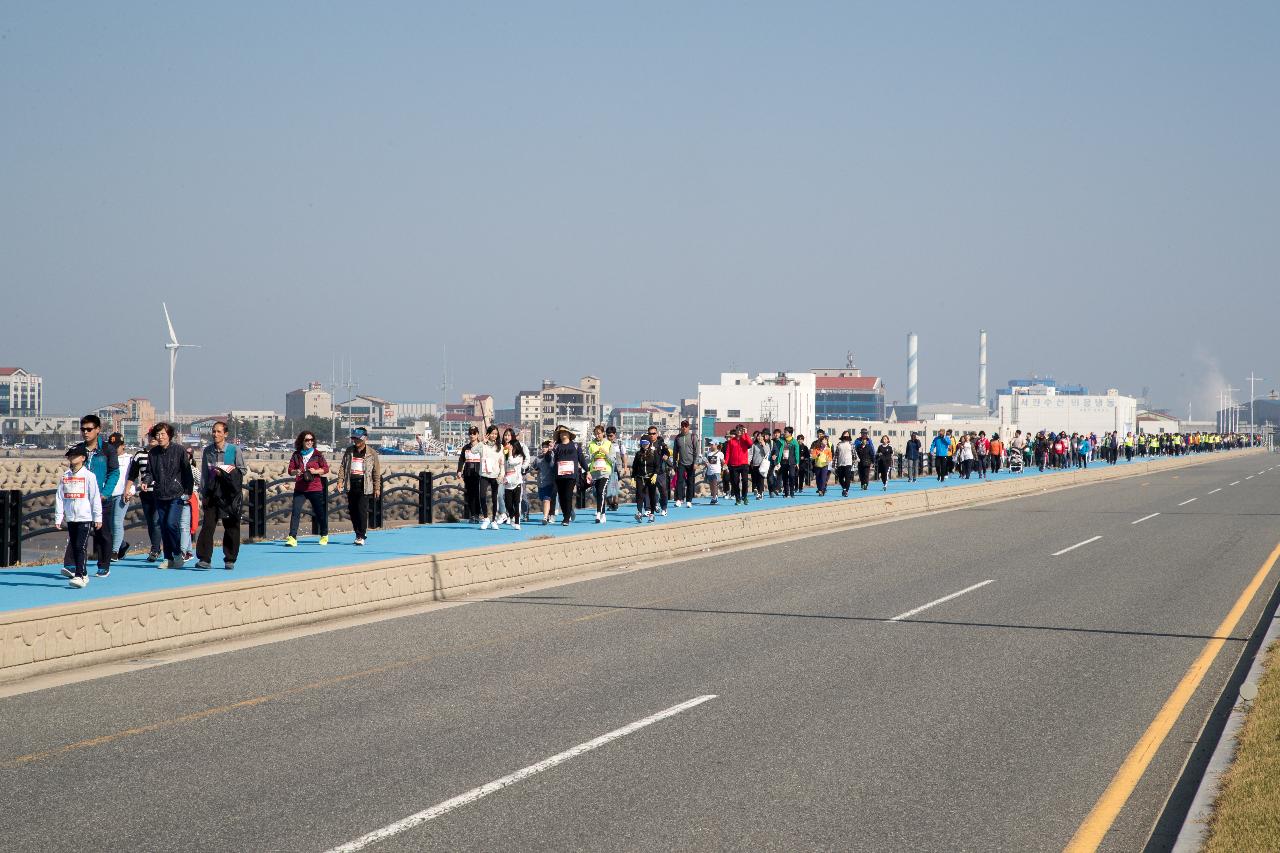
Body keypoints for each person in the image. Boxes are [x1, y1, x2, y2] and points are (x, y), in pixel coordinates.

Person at [65, 415, 119, 579]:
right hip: (81, 501)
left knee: (102, 533)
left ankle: (103, 565)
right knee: (77, 532)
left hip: (101, 500)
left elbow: (114, 472)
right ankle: (71, 564)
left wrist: (105, 493)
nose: (85, 432)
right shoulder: (79, 449)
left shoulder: (107, 450)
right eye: (83, 429)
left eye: (89, 429)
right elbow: (72, 472)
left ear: (97, 430)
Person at [196, 421, 245, 569]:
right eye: (214, 431)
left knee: (231, 527)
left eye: (218, 431)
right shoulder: (208, 451)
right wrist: (203, 494)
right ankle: (205, 558)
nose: (215, 434)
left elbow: (242, 470)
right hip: (212, 493)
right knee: (208, 525)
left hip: (229, 494)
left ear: (225, 434)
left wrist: (224, 471)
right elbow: (204, 473)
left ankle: (230, 559)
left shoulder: (234, 450)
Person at [147, 422, 194, 569]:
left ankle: (178, 554)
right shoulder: (153, 453)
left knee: (171, 524)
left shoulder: (179, 450)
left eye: (163, 434)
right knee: (163, 526)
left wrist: (188, 491)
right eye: (157, 434)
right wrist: (145, 481)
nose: (160, 437)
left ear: (169, 435)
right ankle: (168, 558)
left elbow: (187, 472)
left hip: (176, 494)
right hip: (160, 494)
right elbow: (149, 472)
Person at [55, 444, 103, 589]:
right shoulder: (66, 476)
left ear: (83, 458)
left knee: (80, 546)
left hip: (85, 517)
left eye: (75, 455)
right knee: (75, 546)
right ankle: (84, 572)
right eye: (70, 455)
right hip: (71, 518)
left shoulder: (89, 476)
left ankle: (79, 575)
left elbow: (95, 498)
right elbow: (60, 497)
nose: (72, 457)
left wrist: (98, 517)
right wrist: (59, 517)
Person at [285, 429, 328, 548]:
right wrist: (296, 471)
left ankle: (324, 534)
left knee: (320, 513)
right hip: (300, 488)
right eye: (307, 440)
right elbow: (290, 471)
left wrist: (316, 471)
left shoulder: (318, 455)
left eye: (311, 440)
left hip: (315, 488)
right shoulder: (296, 455)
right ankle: (292, 537)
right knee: (295, 512)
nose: (310, 442)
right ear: (302, 441)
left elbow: (325, 469)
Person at [337, 427, 380, 545]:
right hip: (351, 484)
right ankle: (359, 532)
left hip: (365, 485)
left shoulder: (372, 453)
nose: (356, 441)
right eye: (355, 439)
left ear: (365, 438)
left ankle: (360, 535)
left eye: (359, 439)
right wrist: (340, 481)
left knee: (362, 510)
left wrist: (377, 488)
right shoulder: (349, 451)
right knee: (353, 510)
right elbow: (342, 466)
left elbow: (376, 472)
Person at [124, 433, 163, 561]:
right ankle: (156, 547)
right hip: (146, 493)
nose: (152, 438)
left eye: (155, 436)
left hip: (160, 493)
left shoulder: (163, 453)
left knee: (157, 522)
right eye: (150, 436)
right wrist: (127, 489)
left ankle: (155, 549)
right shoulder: (140, 454)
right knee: (151, 523)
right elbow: (133, 474)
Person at [547, 426, 587, 525]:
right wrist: (549, 451)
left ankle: (566, 518)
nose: (563, 434)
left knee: (568, 495)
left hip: (571, 475)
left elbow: (581, 459)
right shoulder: (556, 446)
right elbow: (549, 460)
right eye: (560, 433)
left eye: (565, 432)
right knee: (561, 497)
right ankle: (566, 513)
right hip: (559, 475)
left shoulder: (576, 446)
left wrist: (588, 471)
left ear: (569, 434)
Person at [108, 433, 132, 560]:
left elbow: (133, 478)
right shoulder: (106, 458)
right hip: (108, 495)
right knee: (110, 526)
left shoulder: (129, 459)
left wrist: (130, 491)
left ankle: (114, 551)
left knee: (117, 522)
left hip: (122, 495)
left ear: (123, 446)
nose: (114, 449)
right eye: (111, 446)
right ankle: (122, 545)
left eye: (116, 446)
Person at [586, 424, 614, 523]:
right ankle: (603, 513)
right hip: (595, 472)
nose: (597, 435)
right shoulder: (591, 444)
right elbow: (587, 459)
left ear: (603, 433)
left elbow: (613, 460)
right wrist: (594, 455)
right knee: (597, 493)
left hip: (605, 472)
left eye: (599, 433)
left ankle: (598, 513)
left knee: (601, 491)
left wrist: (605, 454)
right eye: (595, 434)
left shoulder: (608, 444)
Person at [501, 429, 527, 531]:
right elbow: (504, 464)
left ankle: (517, 522)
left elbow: (511, 462)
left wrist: (510, 452)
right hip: (508, 483)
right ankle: (511, 516)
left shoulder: (519, 457)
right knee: (508, 503)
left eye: (513, 446)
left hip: (517, 483)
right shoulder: (507, 455)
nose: (511, 448)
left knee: (517, 503)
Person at [477, 425, 503, 529]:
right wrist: (482, 442)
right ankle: (486, 518)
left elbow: (502, 463)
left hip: (495, 475)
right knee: (482, 496)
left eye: (496, 434)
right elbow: (474, 450)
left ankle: (494, 521)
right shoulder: (483, 445)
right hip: (484, 474)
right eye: (492, 433)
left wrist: (501, 475)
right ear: (488, 434)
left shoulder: (499, 447)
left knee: (494, 498)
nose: (494, 435)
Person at [456, 426, 483, 523]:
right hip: (468, 474)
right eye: (470, 433)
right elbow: (461, 460)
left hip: (478, 474)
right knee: (470, 495)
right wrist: (459, 470)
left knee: (477, 494)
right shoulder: (465, 448)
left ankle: (478, 513)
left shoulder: (482, 446)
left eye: (474, 433)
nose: (472, 435)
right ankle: (472, 515)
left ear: (477, 434)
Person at [632, 438, 660, 522]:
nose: (645, 445)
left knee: (652, 495)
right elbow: (635, 466)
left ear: (649, 444)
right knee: (639, 495)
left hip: (651, 477)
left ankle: (651, 514)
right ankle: (639, 513)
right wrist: (633, 478)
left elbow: (657, 465)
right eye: (643, 444)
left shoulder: (654, 453)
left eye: (646, 444)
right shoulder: (638, 454)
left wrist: (655, 474)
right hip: (640, 477)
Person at [724, 425, 752, 506]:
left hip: (744, 464)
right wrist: (726, 462)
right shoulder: (731, 441)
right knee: (735, 482)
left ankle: (745, 496)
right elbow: (728, 453)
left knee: (745, 481)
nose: (739, 431)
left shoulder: (745, 439)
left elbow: (750, 443)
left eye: (741, 429)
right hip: (734, 465)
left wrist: (746, 434)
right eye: (738, 429)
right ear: (736, 431)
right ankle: (737, 498)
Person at [672, 420, 698, 508]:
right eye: (682, 426)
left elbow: (696, 451)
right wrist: (674, 462)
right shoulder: (677, 438)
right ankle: (679, 499)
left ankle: (689, 501)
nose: (684, 428)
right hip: (681, 463)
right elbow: (675, 451)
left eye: (686, 426)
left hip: (691, 463)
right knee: (679, 481)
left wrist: (695, 462)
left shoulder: (693, 437)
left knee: (690, 482)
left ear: (688, 427)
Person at [535, 439, 557, 524]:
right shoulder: (538, 458)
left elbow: (552, 465)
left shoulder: (552, 456)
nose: (544, 449)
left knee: (546, 499)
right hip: (540, 483)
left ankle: (545, 517)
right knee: (542, 499)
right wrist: (535, 471)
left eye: (546, 447)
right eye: (543, 447)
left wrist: (550, 452)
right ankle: (547, 515)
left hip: (550, 482)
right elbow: (533, 469)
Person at [604, 425, 626, 511]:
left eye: (611, 435)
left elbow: (623, 455)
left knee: (614, 486)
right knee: (607, 487)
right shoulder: (604, 443)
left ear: (615, 434)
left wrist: (625, 467)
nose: (609, 437)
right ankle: (610, 504)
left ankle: (615, 503)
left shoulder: (619, 443)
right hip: (606, 468)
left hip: (617, 468)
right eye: (607, 435)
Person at [703, 438, 724, 504]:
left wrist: (723, 466)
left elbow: (723, 461)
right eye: (710, 444)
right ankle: (715, 496)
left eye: (712, 444)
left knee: (715, 484)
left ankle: (714, 497)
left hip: (716, 471)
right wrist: (705, 464)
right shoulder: (708, 453)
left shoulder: (720, 453)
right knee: (711, 485)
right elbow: (706, 461)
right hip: (709, 471)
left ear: (716, 445)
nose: (711, 446)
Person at [750, 431, 769, 500]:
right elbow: (751, 454)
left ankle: (760, 493)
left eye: (761, 436)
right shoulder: (754, 445)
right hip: (755, 464)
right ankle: (759, 492)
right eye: (758, 436)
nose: (759, 437)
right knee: (756, 480)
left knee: (761, 479)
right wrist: (748, 461)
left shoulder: (766, 444)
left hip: (763, 465)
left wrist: (763, 445)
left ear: (764, 437)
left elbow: (767, 453)